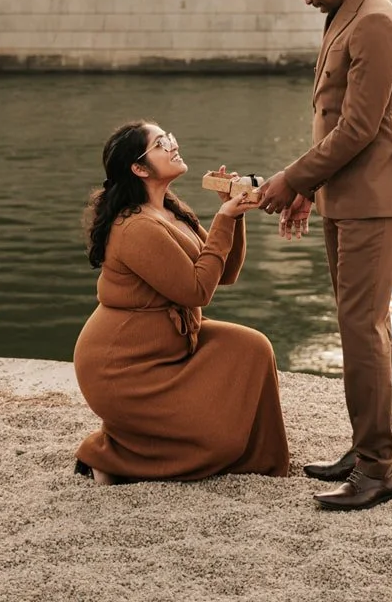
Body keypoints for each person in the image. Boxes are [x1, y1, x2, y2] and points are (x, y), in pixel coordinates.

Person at [258, 0, 392, 512]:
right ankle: (365, 449)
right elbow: (331, 122)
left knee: (363, 331)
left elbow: (357, 129)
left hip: (376, 200)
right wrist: (311, 192)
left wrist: (292, 179)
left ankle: (380, 470)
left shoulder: (375, 21)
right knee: (357, 328)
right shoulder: (345, 16)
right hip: (346, 197)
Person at [73, 121, 290, 484]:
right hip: (124, 368)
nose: (172, 145)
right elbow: (195, 292)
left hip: (170, 348)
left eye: (169, 137)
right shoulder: (135, 227)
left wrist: (232, 217)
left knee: (253, 348)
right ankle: (108, 458)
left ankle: (261, 463)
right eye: (160, 144)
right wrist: (223, 219)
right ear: (140, 169)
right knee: (216, 441)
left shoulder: (170, 209)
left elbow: (224, 273)